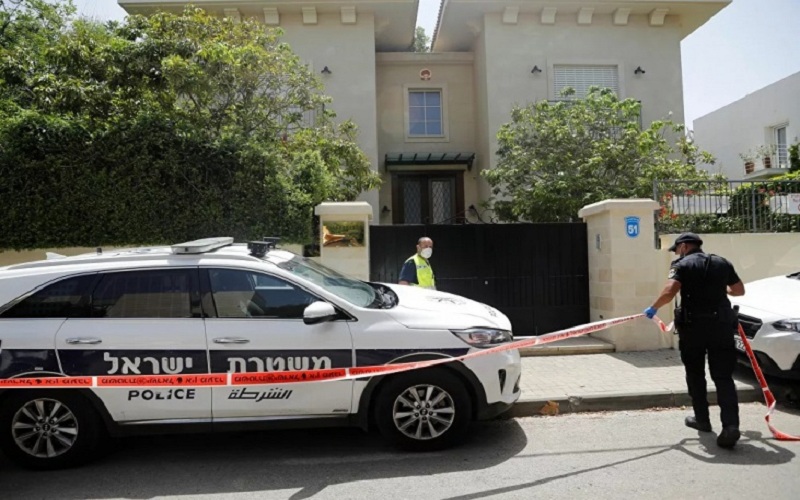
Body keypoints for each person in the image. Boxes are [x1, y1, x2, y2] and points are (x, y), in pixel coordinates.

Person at [643, 232, 745, 448]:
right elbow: (738, 290)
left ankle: (702, 420)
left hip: (693, 329)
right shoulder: (721, 262)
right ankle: (731, 426)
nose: (677, 253)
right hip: (721, 327)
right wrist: (720, 290)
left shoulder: (682, 265)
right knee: (723, 377)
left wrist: (653, 308)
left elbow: (670, 291)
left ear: (683, 246)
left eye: (677, 249)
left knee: (695, 374)